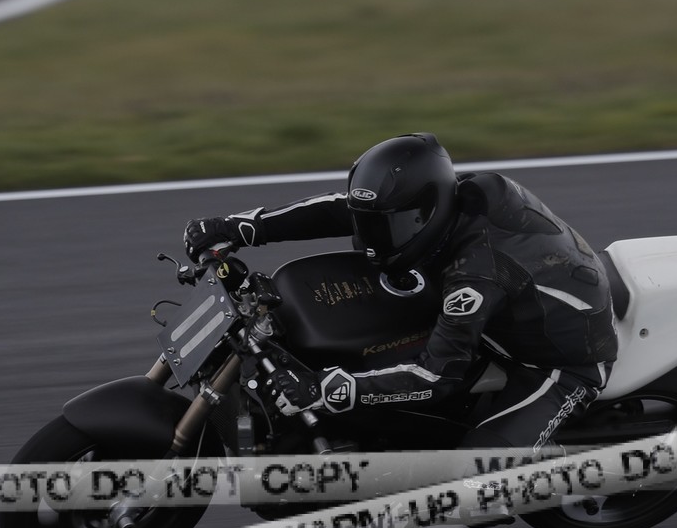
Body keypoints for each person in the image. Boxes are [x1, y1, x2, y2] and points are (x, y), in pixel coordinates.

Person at [183, 133, 617, 453]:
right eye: (372, 224)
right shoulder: (448, 201)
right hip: (504, 309)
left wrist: (325, 390)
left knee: (475, 485)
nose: (372, 239)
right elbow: (344, 209)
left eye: (387, 227)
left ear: (429, 212)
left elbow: (436, 378)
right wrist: (242, 227)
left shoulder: (476, 279)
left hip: (558, 362)